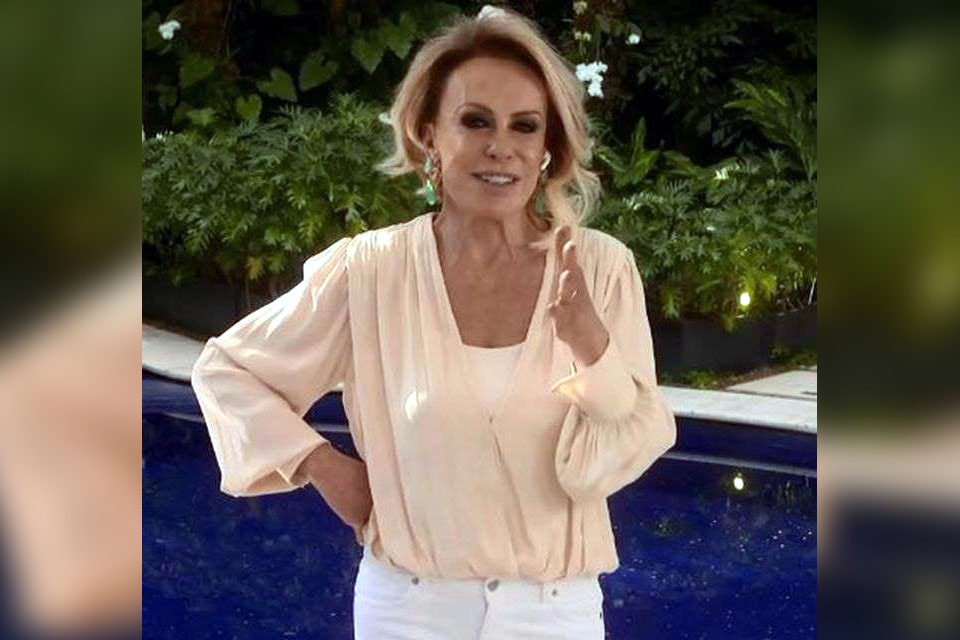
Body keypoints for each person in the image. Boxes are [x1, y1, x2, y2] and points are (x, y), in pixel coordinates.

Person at [190, 6, 677, 639]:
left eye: (525, 126)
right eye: (475, 121)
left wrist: (592, 349)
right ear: (428, 136)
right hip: (407, 611)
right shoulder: (371, 271)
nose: (501, 146)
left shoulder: (601, 269)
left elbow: (626, 447)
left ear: (547, 148)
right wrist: (321, 466)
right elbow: (227, 369)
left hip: (555, 613)